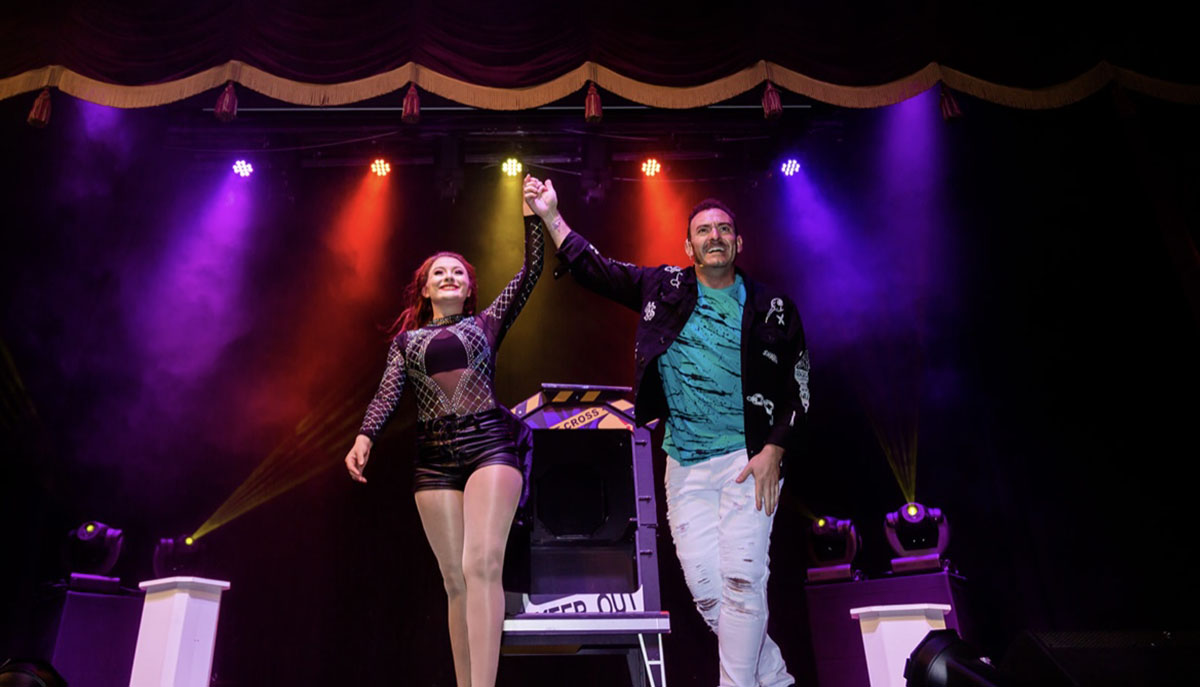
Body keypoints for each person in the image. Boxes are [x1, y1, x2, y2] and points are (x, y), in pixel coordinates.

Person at [523, 175, 808, 687]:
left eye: (724, 229)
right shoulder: (665, 288)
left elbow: (800, 387)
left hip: (750, 462)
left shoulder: (773, 307)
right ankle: (777, 680)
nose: (715, 237)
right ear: (688, 244)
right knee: (710, 596)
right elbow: (598, 271)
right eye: (704, 230)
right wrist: (550, 215)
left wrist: (774, 450)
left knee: (745, 583)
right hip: (685, 467)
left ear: (739, 242)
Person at [344, 200, 544, 687]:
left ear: (470, 287)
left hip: (488, 445)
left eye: (458, 272)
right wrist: (365, 435)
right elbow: (389, 392)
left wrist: (532, 217)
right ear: (426, 287)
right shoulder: (406, 343)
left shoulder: (486, 324)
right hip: (433, 458)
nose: (450, 276)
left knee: (481, 563)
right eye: (440, 272)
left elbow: (532, 269)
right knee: (455, 581)